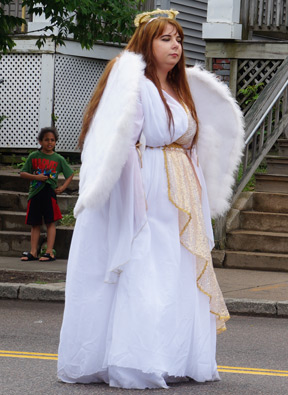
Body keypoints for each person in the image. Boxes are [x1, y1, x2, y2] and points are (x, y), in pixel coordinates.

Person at [57, 9, 244, 389]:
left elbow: (192, 142)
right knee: (146, 269)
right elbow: (116, 142)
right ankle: (137, 360)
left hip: (182, 190)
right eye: (165, 38)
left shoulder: (180, 89)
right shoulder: (133, 85)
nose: (175, 45)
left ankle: (172, 356)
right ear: (146, 43)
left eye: (178, 39)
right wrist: (129, 198)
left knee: (175, 271)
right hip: (148, 188)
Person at [19, 127, 74, 262]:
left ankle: (49, 251)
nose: (50, 143)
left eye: (52, 140)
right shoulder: (34, 156)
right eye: (46, 140)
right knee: (35, 223)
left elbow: (70, 174)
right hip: (35, 193)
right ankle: (33, 251)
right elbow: (22, 173)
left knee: (50, 222)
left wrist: (62, 187)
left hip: (49, 194)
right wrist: (36, 177)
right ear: (40, 141)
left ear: (55, 142)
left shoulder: (58, 158)